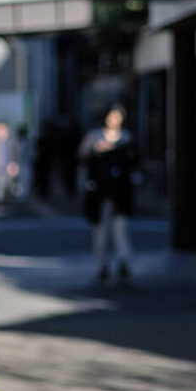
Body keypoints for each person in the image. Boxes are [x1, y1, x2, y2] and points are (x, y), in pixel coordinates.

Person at [77, 102, 137, 280]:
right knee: (101, 229)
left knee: (120, 227)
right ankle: (102, 263)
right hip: (99, 190)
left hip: (120, 191)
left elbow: (134, 161)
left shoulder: (127, 138)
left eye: (118, 116)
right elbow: (82, 157)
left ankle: (123, 260)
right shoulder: (94, 137)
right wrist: (96, 150)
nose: (114, 120)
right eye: (112, 116)